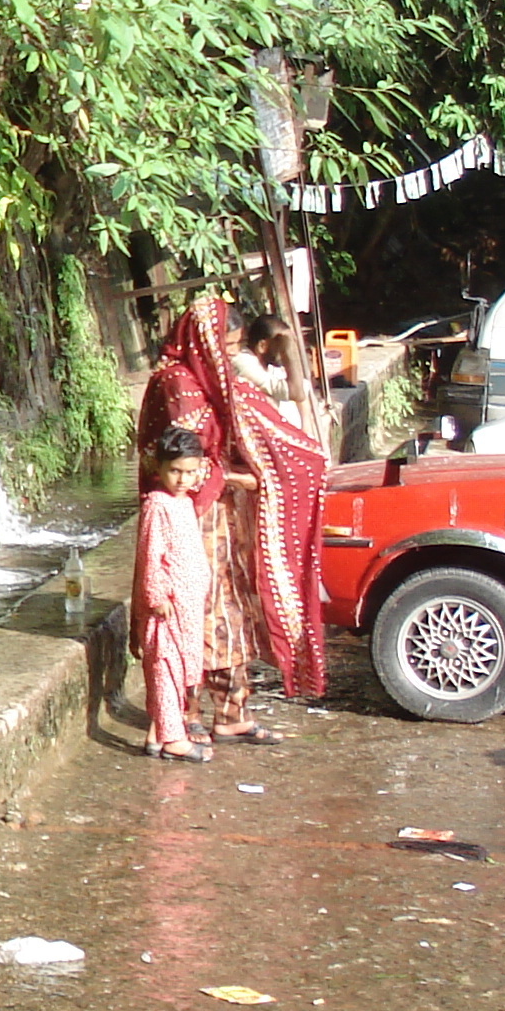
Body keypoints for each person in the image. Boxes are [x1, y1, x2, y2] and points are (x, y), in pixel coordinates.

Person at [135, 298, 329, 737]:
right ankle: (183, 715)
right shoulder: (177, 383)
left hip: (221, 519)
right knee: (192, 612)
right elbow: (180, 459)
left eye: (236, 347)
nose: (229, 357)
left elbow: (269, 416)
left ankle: (232, 712)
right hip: (188, 518)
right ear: (203, 341)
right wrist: (242, 480)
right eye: (225, 345)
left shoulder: (218, 381)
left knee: (231, 610)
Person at [132, 425, 214, 762]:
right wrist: (156, 597)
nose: (182, 479)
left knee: (180, 668)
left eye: (190, 472)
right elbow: (151, 555)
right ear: (159, 468)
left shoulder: (184, 503)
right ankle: (173, 740)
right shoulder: (157, 505)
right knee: (165, 666)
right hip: (166, 606)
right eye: (175, 471)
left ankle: (157, 732)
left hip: (188, 603)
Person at [231, 312, 304, 427]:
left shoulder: (267, 366)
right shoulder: (244, 362)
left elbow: (302, 391)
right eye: (281, 344)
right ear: (262, 346)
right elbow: (297, 393)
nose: (286, 349)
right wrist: (289, 352)